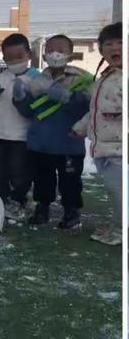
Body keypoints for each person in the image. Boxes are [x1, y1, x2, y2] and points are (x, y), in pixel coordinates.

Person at [12, 35, 91, 230]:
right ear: (44, 54)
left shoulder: (82, 79)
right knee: (42, 180)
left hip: (69, 144)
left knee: (70, 182)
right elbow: (27, 111)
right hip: (41, 142)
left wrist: (67, 97)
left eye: (61, 49)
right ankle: (43, 208)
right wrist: (19, 98)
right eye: (50, 49)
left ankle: (71, 212)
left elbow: (88, 109)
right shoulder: (36, 80)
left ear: (70, 54)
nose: (55, 53)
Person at [72, 22, 122, 245]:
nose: (115, 47)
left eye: (121, 42)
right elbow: (95, 111)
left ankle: (121, 230)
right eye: (108, 43)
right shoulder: (104, 79)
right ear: (101, 50)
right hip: (104, 148)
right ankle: (118, 224)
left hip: (120, 151)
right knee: (116, 192)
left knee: (122, 193)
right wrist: (80, 128)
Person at [0, 33, 40, 222]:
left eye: (19, 57)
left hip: (22, 136)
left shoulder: (36, 79)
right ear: (4, 58)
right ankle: (3, 201)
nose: (15, 61)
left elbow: (38, 107)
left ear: (29, 55)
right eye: (10, 58)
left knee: (19, 172)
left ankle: (20, 199)